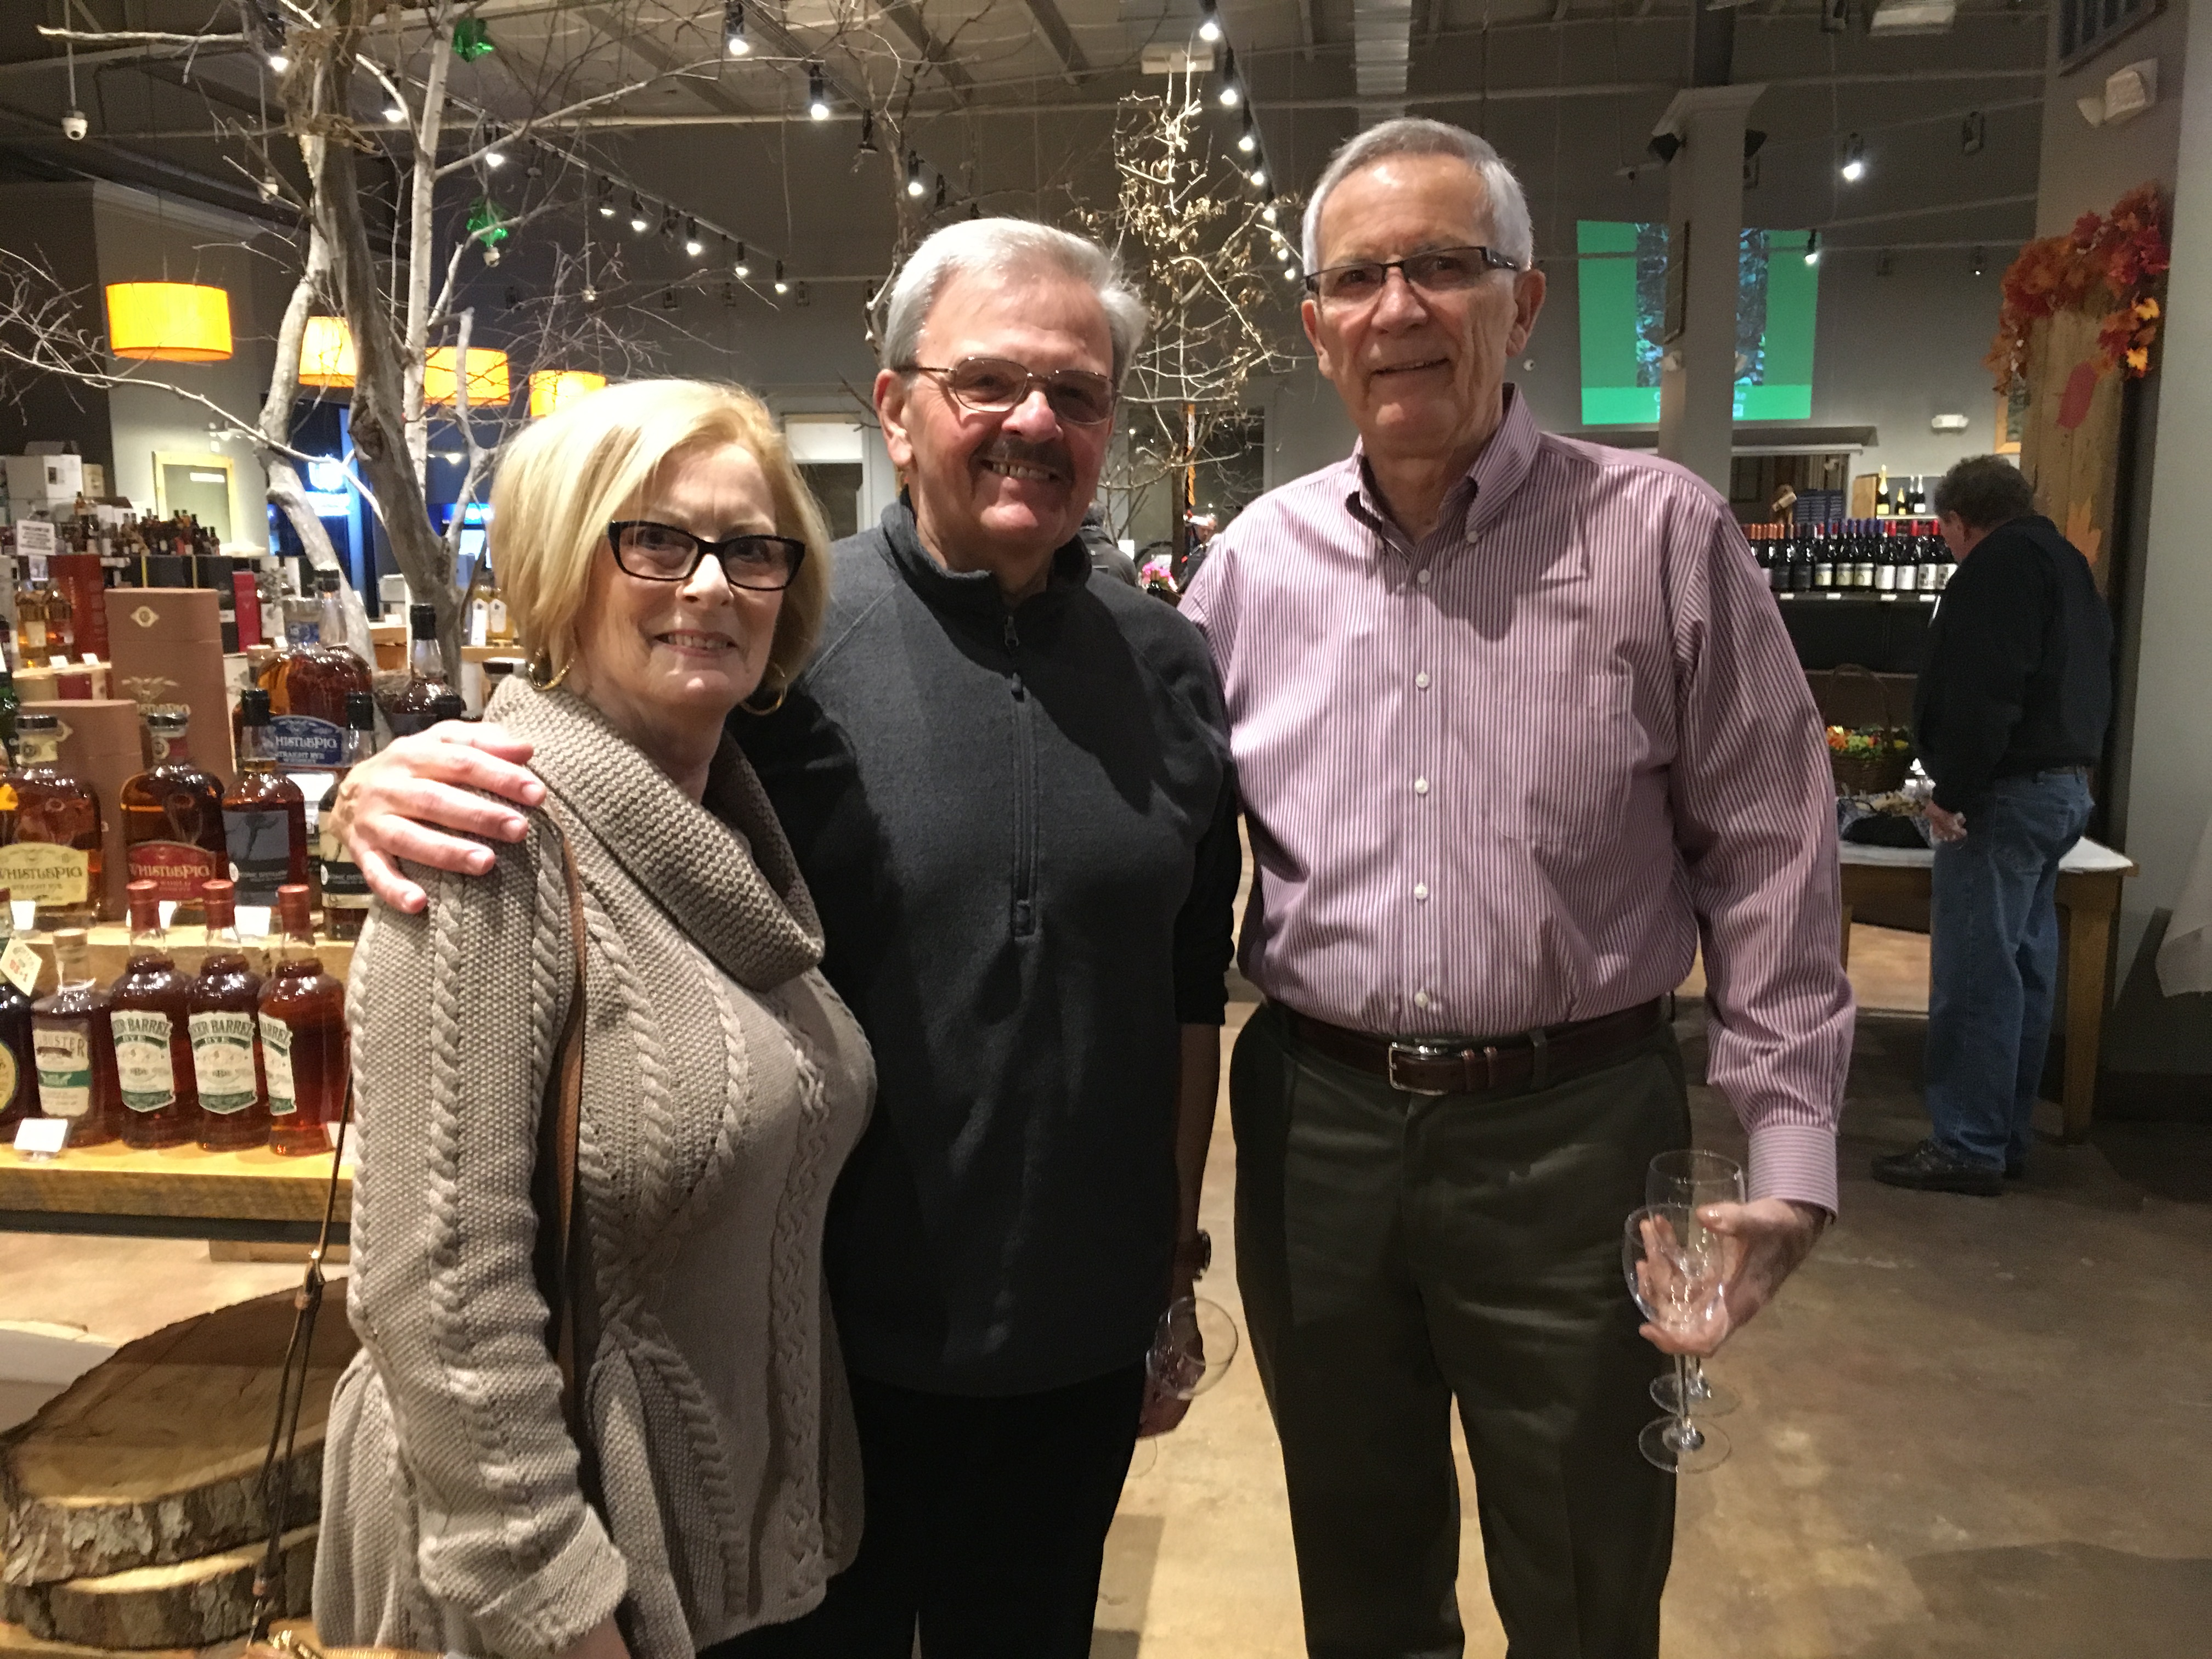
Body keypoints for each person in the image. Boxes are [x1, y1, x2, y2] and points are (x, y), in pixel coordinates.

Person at [328, 219, 1240, 1659]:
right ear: (897, 407)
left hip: (1073, 1357)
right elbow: (589, 742)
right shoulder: (787, 655)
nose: (1033, 421)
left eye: (1076, 392)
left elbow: (1188, 986)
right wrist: (380, 780)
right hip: (817, 1360)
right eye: (987, 381)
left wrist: (1169, 1274)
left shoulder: (1165, 663)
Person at [1179, 119, 1854, 1659]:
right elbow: (1159, 856)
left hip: (1579, 1134)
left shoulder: (1660, 536)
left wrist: (1791, 1158)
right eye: (1358, 277)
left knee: (1586, 1571)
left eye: (1443, 265)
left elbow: (1770, 845)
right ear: (1316, 325)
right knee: (1357, 1561)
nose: (1398, 308)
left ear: (1527, 302)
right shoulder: (1251, 570)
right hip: (1319, 1135)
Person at [313, 381, 874, 1659]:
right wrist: (557, 1609)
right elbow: (435, 1294)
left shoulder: (731, 839)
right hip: (542, 1597)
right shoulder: (489, 841)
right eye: (657, 540)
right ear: (563, 567)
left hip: (712, 1557)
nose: (711, 584)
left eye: (752, 548)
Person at [1873, 455, 2112, 1195]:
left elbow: (1986, 689)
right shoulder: (2067, 564)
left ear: (1957, 522)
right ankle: (2004, 1134)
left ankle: (1968, 1143)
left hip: (2006, 794)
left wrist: (1956, 791)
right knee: (2023, 972)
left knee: (1977, 974)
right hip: (2063, 785)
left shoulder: (1997, 566)